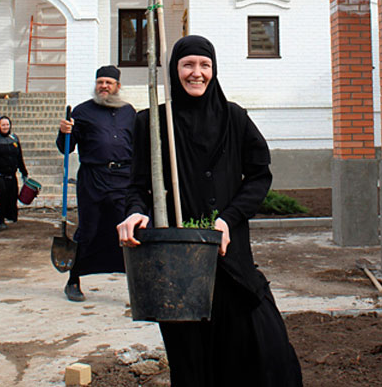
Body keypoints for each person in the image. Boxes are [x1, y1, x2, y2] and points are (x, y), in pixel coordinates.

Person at [118, 35, 303, 387]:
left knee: (262, 347)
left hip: (229, 257)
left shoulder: (235, 118)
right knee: (191, 360)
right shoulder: (153, 123)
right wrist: (134, 212)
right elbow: (136, 186)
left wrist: (229, 218)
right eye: (188, 65)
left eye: (204, 65)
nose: (196, 73)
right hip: (178, 264)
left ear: (214, 70)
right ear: (175, 71)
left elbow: (260, 174)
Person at [57, 65, 136, 302]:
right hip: (93, 180)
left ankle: (137, 284)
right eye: (100, 82)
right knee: (88, 230)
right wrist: (64, 133)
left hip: (124, 178)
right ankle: (73, 280)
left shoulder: (128, 112)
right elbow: (66, 148)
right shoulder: (81, 112)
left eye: (108, 83)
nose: (104, 86)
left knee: (129, 230)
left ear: (117, 86)